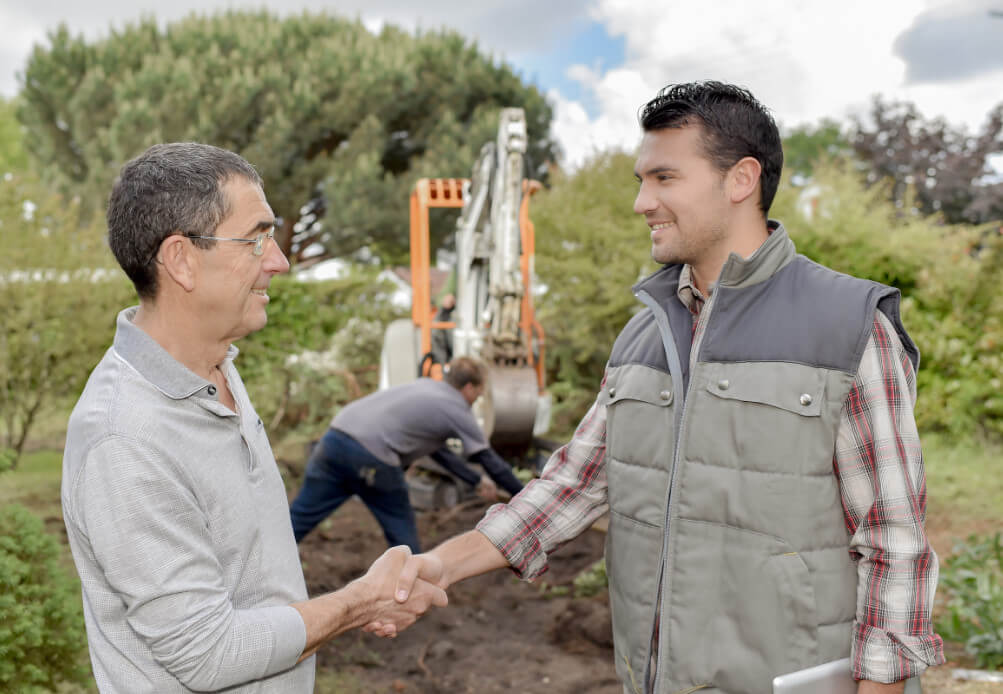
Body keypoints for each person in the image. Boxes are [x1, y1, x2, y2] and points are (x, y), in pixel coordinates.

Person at [386, 82, 945, 693]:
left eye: (664, 178)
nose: (642, 202)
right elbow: (572, 485)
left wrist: (884, 683)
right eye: (640, 181)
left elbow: (894, 536)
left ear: (741, 180)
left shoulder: (848, 324)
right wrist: (438, 564)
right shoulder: (642, 335)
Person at [61, 142, 445, 694]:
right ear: (181, 259)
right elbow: (207, 654)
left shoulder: (215, 364)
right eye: (256, 238)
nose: (279, 261)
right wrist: (359, 602)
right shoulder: (123, 438)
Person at [288, 356, 524, 552]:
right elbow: (491, 461)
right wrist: (525, 500)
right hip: (372, 458)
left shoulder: (426, 386)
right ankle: (409, 591)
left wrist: (475, 480)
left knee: (299, 517)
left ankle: (259, 571)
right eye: (479, 393)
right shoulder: (457, 408)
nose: (478, 400)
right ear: (469, 388)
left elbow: (440, 453)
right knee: (401, 533)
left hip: (334, 440)